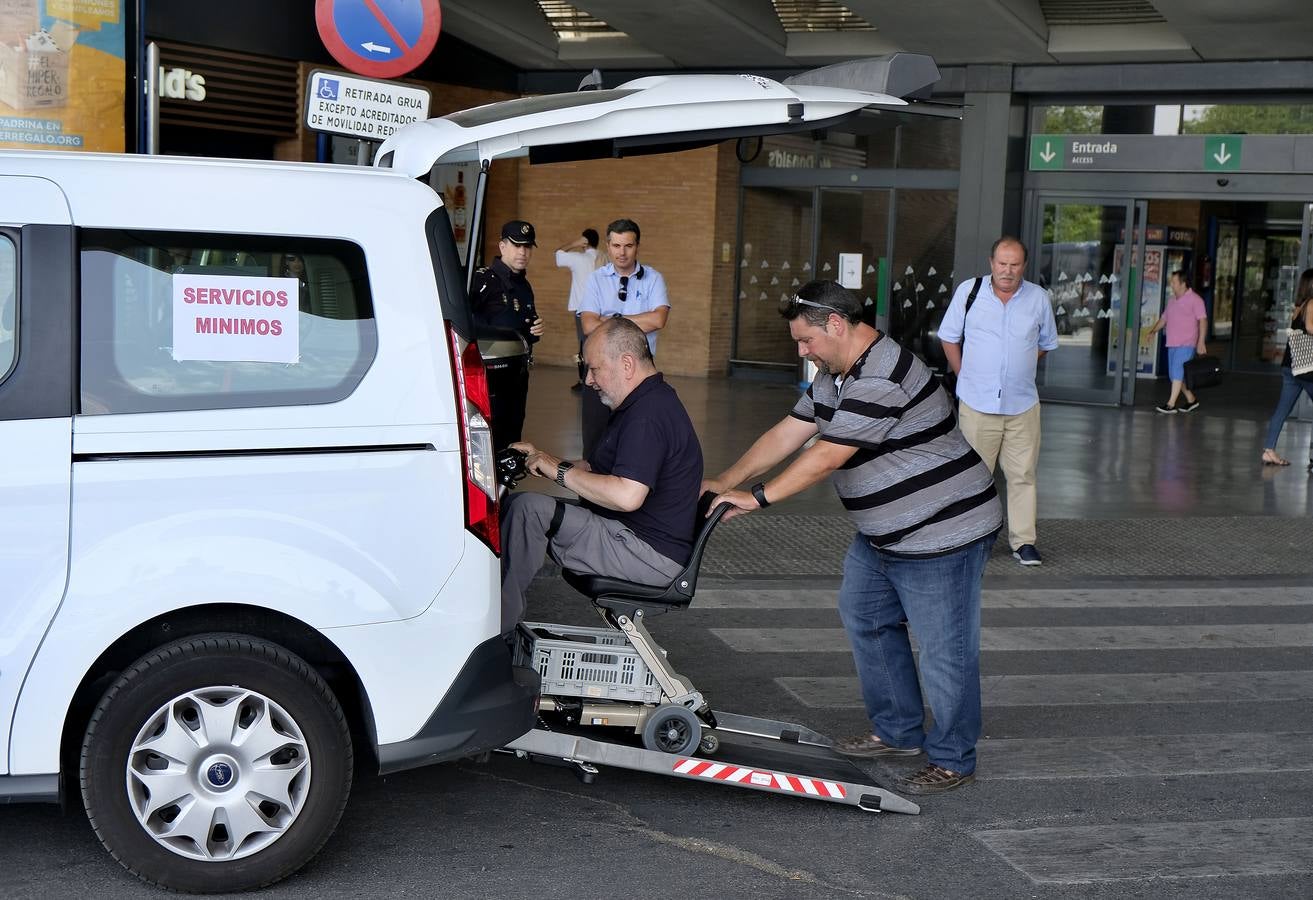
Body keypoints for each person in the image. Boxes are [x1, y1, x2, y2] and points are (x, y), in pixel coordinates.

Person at [704, 281, 1002, 796]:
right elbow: (789, 433)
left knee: (944, 650)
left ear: (835, 325)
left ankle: (953, 757)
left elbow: (826, 455)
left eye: (805, 341)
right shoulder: (836, 373)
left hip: (943, 530)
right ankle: (898, 731)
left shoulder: (883, 375)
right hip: (885, 532)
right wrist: (726, 480)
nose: (802, 352)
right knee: (864, 614)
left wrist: (757, 498)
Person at [500, 317, 703, 632]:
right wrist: (544, 459)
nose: (589, 380)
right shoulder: (644, 403)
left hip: (647, 555)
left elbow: (626, 494)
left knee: (528, 510)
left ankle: (496, 631)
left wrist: (558, 471)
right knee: (520, 507)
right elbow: (597, 471)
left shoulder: (648, 415)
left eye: (594, 369)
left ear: (626, 364)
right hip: (632, 538)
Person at [939, 236, 1058, 567]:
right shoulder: (969, 292)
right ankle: (972, 539)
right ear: (992, 263)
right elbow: (949, 337)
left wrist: (1020, 367)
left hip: (1023, 405)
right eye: (1002, 263)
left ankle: (1024, 542)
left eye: (1015, 264)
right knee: (976, 477)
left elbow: (1047, 341)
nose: (1008, 270)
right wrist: (965, 376)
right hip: (978, 404)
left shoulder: (1038, 298)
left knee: (1023, 475)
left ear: (1024, 266)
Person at [577, 218, 670, 457]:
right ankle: (591, 491)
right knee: (595, 436)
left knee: (637, 434)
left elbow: (658, 319)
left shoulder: (654, 279)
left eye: (628, 245)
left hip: (639, 371)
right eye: (616, 245)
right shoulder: (596, 280)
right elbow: (588, 325)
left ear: (637, 246)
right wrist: (638, 320)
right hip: (599, 369)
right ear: (608, 246)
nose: (622, 252)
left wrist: (609, 320)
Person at [470, 220, 545, 449]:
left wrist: (535, 330)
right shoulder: (482, 280)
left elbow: (522, 329)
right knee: (488, 442)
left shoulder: (524, 285)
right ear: (502, 246)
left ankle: (505, 486)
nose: (522, 252)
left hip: (518, 378)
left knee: (512, 437)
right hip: (490, 379)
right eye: (516, 245)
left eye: (527, 247)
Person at [1260, 267, 1313, 467]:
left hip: (1291, 366)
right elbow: (1309, 328)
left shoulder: (1298, 306)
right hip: (1306, 368)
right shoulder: (1312, 303)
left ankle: (1268, 450)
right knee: (1282, 409)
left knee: (1282, 410)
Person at [1143, 269, 1208, 414]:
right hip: (1172, 343)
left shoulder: (1196, 300)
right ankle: (1191, 400)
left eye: (1174, 282)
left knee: (1177, 371)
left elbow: (1203, 321)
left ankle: (1170, 404)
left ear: (1183, 284)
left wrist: (1201, 341)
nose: (1171, 284)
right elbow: (1164, 319)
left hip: (1186, 344)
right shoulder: (1172, 301)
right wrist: (1153, 331)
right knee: (1174, 375)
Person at [555, 228, 603, 391]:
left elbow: (558, 255)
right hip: (602, 310)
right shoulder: (604, 258)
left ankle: (585, 381)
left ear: (585, 241)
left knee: (584, 344)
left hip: (582, 309)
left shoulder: (580, 258)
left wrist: (574, 244)